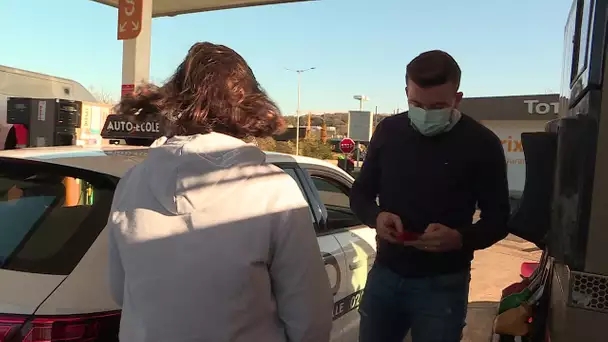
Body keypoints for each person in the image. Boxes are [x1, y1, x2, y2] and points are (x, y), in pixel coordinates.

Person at [106, 42, 333, 342]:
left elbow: (119, 291)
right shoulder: (273, 192)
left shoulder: (131, 183)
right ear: (249, 105)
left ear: (176, 99)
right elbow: (309, 322)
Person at [351, 50, 510, 342]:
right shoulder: (388, 131)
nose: (424, 113)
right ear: (406, 93)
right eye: (416, 104)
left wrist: (460, 238)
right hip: (385, 276)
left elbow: (499, 220)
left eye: (437, 106)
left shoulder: (482, 143)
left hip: (443, 286)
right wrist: (376, 217)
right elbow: (360, 194)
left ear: (457, 99)